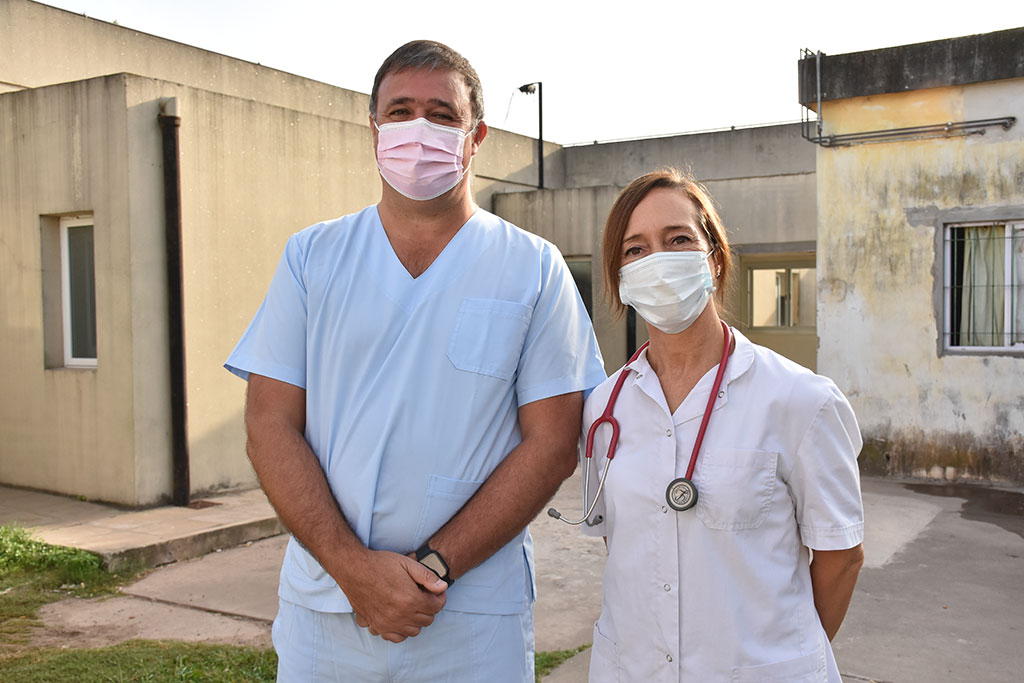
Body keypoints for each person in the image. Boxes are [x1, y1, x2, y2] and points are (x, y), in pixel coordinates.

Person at [225, 40, 606, 681]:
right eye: (399, 112)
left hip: (471, 615)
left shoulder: (533, 268)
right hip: (327, 608)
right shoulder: (312, 258)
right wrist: (351, 568)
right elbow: (269, 424)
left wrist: (432, 569)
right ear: (373, 129)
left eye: (442, 114)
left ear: (476, 136)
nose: (419, 130)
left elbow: (551, 443)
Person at [580, 168, 864, 682]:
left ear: (714, 256)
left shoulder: (800, 400)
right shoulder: (605, 409)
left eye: (678, 239)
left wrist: (780, 659)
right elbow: (622, 543)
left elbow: (840, 557)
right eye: (635, 249)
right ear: (619, 277)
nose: (659, 261)